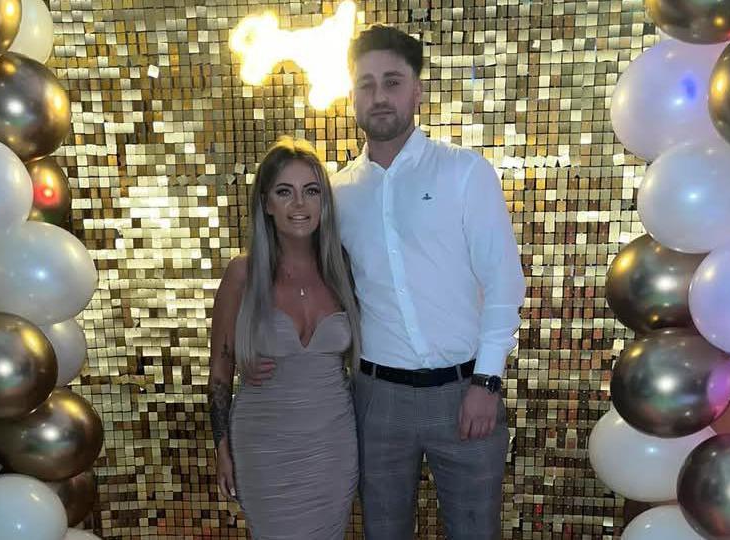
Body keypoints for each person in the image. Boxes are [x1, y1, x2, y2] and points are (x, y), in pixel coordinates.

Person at [334, 25, 525, 539]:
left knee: (473, 529)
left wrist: (487, 381)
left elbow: (505, 282)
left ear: (417, 90)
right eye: (366, 84)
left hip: (464, 394)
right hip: (377, 400)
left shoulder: (464, 173)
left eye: (392, 81)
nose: (379, 96)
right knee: (383, 531)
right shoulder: (338, 193)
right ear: (353, 94)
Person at [208, 137, 361, 539]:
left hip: (333, 444)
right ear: (266, 203)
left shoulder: (342, 269)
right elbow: (219, 373)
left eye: (311, 191)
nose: (299, 205)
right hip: (265, 446)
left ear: (324, 202)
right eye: (284, 192)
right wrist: (222, 450)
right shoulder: (242, 275)